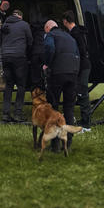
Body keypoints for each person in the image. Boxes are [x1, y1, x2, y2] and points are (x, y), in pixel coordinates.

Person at [43, 19, 80, 150]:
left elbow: (49, 48)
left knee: (53, 108)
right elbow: (77, 54)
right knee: (69, 108)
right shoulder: (69, 36)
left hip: (58, 74)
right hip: (73, 74)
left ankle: (55, 145)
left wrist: (47, 63)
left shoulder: (51, 35)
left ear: (48, 28)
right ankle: (68, 143)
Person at [0, 9, 32, 122]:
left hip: (5, 57)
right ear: (20, 17)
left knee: (9, 85)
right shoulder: (24, 25)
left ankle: (6, 114)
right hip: (19, 57)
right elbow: (30, 41)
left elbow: (1, 41)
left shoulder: (4, 25)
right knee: (21, 85)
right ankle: (18, 113)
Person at [62, 10, 92, 126]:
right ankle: (82, 119)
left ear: (65, 21)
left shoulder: (75, 34)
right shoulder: (79, 31)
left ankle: (86, 123)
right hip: (82, 65)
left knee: (82, 93)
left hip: (82, 66)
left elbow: (82, 51)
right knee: (78, 92)